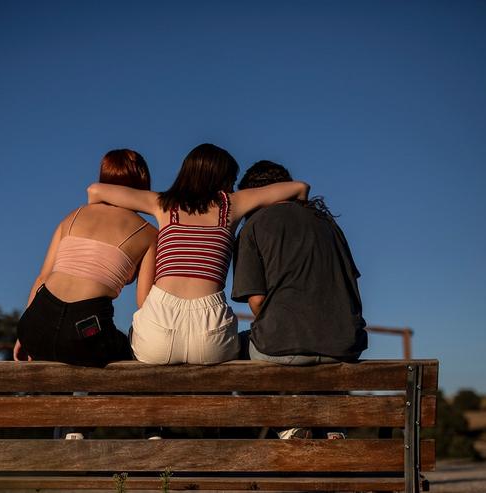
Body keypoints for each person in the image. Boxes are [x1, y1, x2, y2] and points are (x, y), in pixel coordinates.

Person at [87, 143, 309, 365]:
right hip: (211, 334)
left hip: (158, 330)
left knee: (134, 334)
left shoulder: (163, 204)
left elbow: (95, 191)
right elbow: (300, 187)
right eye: (230, 181)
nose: (230, 189)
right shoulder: (232, 205)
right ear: (220, 178)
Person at [231, 160, 367, 439]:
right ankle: (332, 426)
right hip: (344, 345)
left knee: (234, 349)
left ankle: (286, 423)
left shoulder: (253, 227)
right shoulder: (327, 223)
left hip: (283, 346)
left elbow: (257, 302)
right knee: (306, 349)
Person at [13, 149, 158, 368]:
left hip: (36, 323)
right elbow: (144, 303)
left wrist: (25, 335)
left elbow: (42, 278)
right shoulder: (148, 233)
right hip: (87, 330)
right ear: (143, 182)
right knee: (127, 354)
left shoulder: (72, 216)